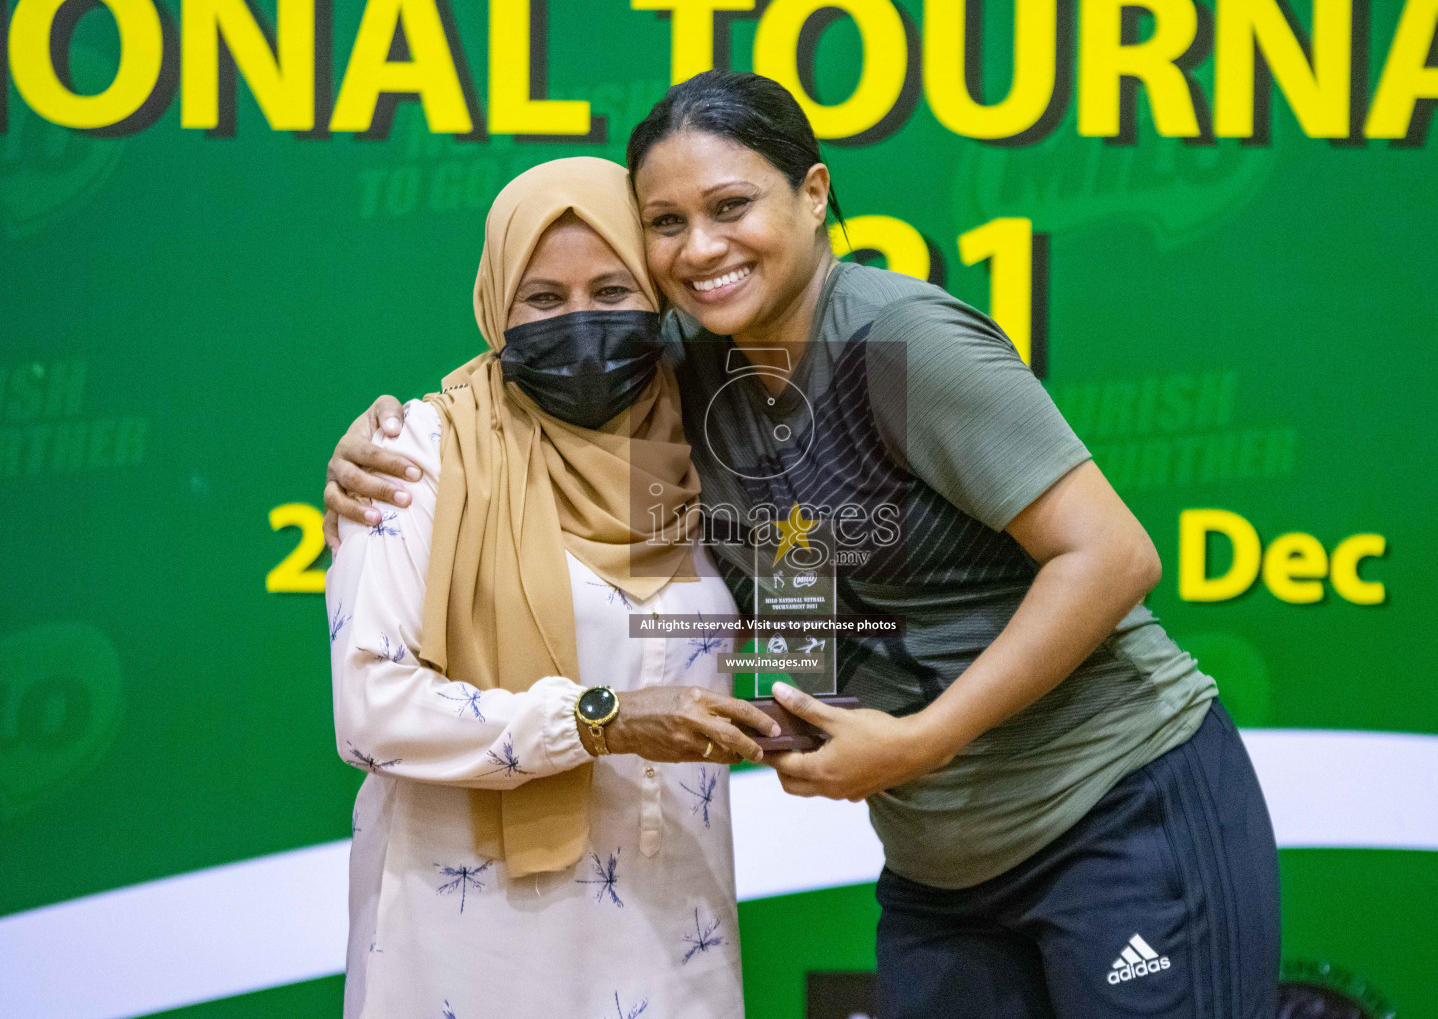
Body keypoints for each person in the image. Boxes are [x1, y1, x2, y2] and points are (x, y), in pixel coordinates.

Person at [326, 72, 1281, 1019]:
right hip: (938, 863)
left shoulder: (901, 341)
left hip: (1113, 808)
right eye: (665, 225)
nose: (702, 248)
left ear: (814, 194)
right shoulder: (686, 385)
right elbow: (795, 577)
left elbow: (1114, 559)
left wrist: (915, 743)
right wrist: (377, 450)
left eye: (731, 205)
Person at [325, 155, 776, 1019]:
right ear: (498, 304)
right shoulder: (421, 454)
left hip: (673, 932)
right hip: (471, 942)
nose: (580, 322)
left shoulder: (714, 447)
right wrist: (598, 720)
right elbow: (370, 708)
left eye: (612, 292)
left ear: (658, 296)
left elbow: (794, 639)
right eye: (543, 299)